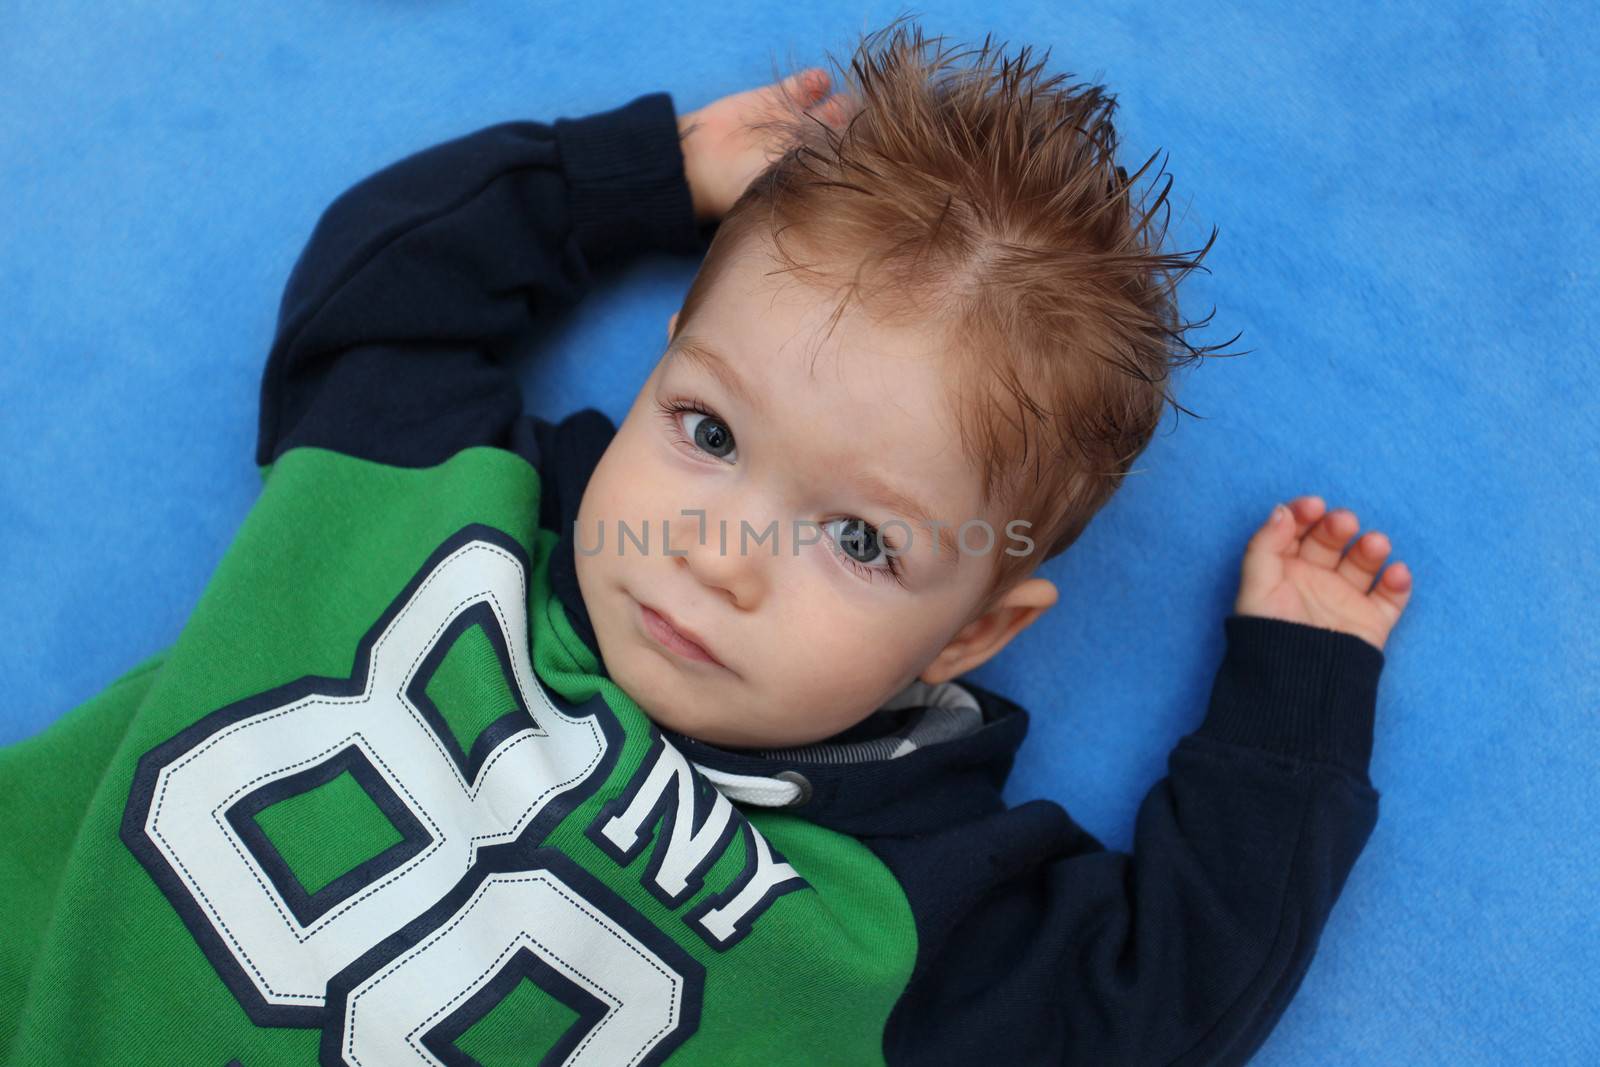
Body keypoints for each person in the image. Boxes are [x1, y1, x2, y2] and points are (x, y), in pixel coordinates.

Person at [0, 19, 1413, 1066]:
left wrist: (1291, 706)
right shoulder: (434, 488)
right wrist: (638, 177)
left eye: (861, 539)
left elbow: (1155, 998)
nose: (716, 552)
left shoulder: (908, 902)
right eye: (710, 433)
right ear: (666, 364)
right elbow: (381, 292)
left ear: (975, 631)